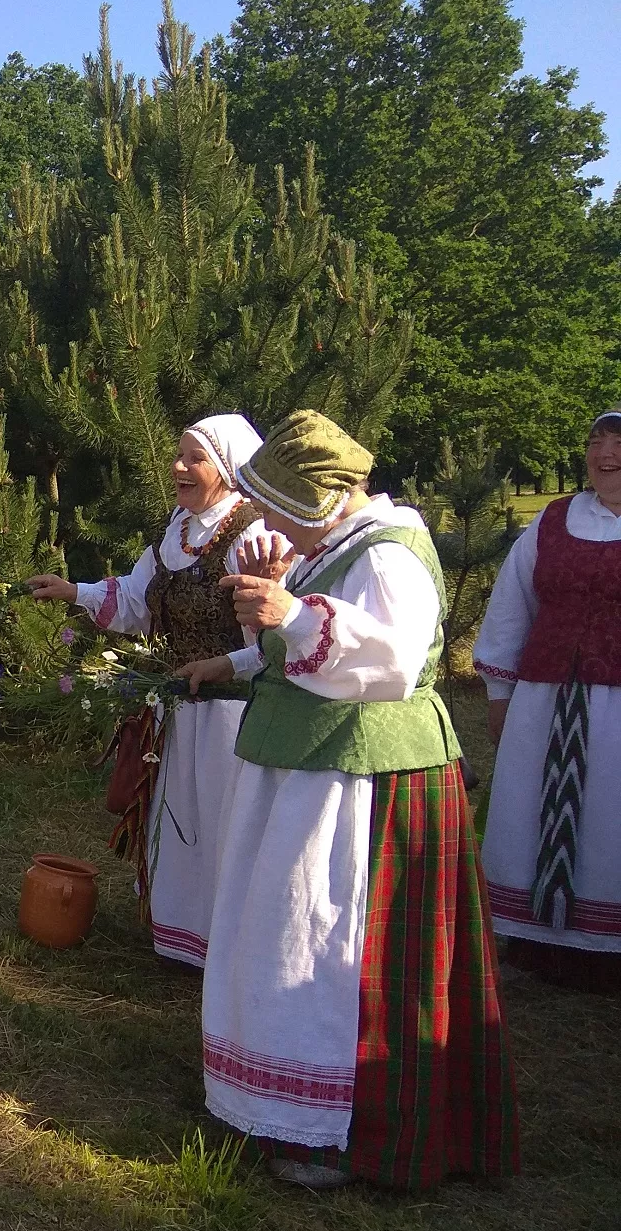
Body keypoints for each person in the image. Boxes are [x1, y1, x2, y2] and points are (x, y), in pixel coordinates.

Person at [177, 411, 519, 1190]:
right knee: (281, 931)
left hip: (360, 786)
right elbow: (291, 643)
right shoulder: (328, 545)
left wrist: (292, 614)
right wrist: (250, 640)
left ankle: (339, 1131)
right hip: (306, 768)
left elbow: (394, 659)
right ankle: (273, 1105)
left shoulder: (389, 553)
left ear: (315, 500)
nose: (261, 519)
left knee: (328, 950)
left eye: (271, 505)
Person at [27, 416, 288, 968]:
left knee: (220, 828)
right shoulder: (179, 530)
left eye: (194, 458)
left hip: (232, 719)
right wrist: (73, 590)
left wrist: (225, 665)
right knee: (181, 825)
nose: (178, 467)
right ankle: (181, 940)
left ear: (225, 468)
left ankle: (228, 949)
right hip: (180, 711)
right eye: (178, 455)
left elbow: (275, 644)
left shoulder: (254, 536)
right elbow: (137, 598)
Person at [472, 410, 621, 991]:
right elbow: (512, 604)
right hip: (545, 699)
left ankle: (604, 947)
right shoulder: (554, 521)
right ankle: (538, 935)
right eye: (596, 442)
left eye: (617, 443)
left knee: (609, 816)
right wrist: (500, 690)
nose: (605, 453)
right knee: (534, 808)